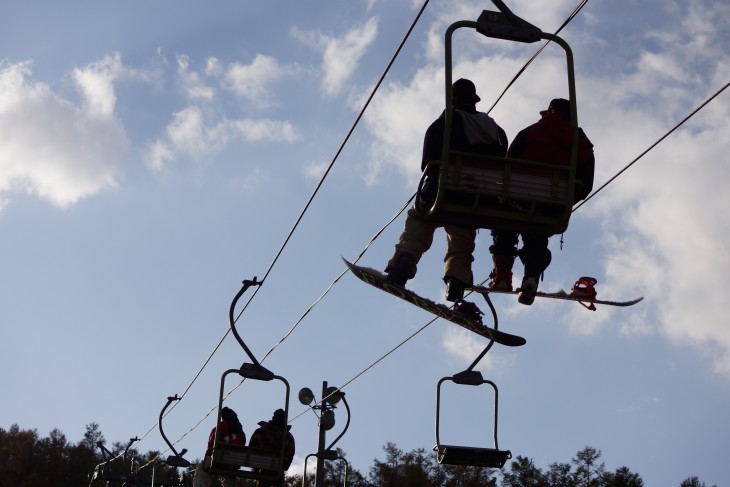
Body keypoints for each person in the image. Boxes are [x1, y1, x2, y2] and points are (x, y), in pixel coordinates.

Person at [385, 78, 509, 302]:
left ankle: (404, 262)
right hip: (476, 199)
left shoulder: (443, 124)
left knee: (418, 223)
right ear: (474, 100)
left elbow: (428, 163)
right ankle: (456, 282)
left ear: (453, 98)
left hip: (442, 194)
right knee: (461, 241)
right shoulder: (497, 132)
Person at [488, 98, 595, 305]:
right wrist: (567, 200)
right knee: (536, 235)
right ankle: (531, 277)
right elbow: (586, 183)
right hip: (551, 206)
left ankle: (502, 276)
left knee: (504, 225)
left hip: (517, 201)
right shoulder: (581, 144)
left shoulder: (529, 133)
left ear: (550, 112)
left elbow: (508, 166)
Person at [193, 407, 246, 487]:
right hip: (234, 463)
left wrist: (207, 457)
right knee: (230, 477)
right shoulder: (241, 434)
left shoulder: (218, 429)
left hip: (218, 461)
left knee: (201, 469)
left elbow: (211, 446)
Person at [248, 409, 296, 487]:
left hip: (260, 467)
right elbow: (290, 454)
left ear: (273, 417)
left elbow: (251, 447)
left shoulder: (261, 431)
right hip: (277, 470)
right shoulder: (287, 436)